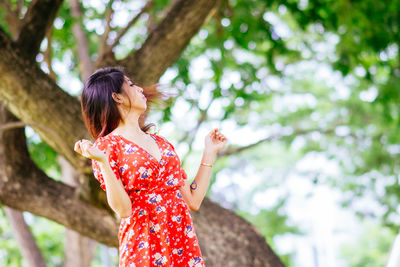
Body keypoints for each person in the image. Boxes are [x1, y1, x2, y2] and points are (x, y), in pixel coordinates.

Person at [73, 66, 228, 267]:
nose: (140, 89)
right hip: (143, 246)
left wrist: (209, 151)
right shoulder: (106, 147)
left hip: (180, 241)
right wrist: (102, 162)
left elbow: (193, 201)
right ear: (117, 97)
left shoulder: (163, 144)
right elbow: (123, 210)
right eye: (131, 84)